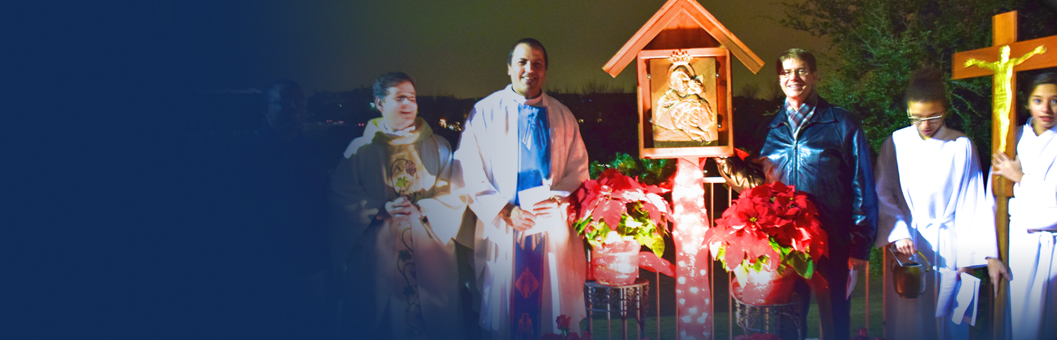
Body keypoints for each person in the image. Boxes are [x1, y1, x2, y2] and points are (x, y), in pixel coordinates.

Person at [716, 48, 878, 340]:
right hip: (785, 242)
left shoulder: (842, 123)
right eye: (786, 71)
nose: (794, 77)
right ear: (779, 78)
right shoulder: (769, 128)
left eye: (801, 70)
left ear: (815, 75)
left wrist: (860, 244)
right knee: (786, 321)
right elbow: (758, 185)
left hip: (833, 240)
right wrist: (723, 158)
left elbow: (861, 184)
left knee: (835, 319)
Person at [454, 38, 589, 340]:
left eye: (538, 64)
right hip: (503, 229)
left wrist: (558, 200)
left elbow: (578, 170)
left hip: (550, 230)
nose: (530, 69)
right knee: (504, 315)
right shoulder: (485, 113)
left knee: (552, 312)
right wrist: (505, 210)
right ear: (509, 68)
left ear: (545, 71)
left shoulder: (563, 116)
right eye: (522, 62)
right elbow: (466, 170)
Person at [873, 67, 1010, 340]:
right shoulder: (896, 142)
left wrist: (969, 256)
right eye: (917, 118)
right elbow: (882, 193)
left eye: (933, 116)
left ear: (945, 110)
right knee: (909, 321)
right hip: (909, 246)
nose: (925, 125)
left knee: (951, 320)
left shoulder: (961, 145)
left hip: (951, 244)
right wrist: (898, 232)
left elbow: (972, 200)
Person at [329, 72, 466, 340]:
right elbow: (340, 196)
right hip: (379, 257)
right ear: (379, 104)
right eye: (399, 98)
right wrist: (378, 209)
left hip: (429, 256)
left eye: (412, 98)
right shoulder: (361, 149)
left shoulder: (438, 147)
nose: (408, 104)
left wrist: (424, 210)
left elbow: (456, 193)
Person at [993, 71, 1057, 340]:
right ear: (1027, 102)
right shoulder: (1012, 137)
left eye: (1055, 101)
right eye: (1038, 100)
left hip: (1053, 244)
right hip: (1019, 245)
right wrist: (991, 253)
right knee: (1020, 326)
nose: (1046, 108)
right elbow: (993, 197)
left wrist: (1020, 178)